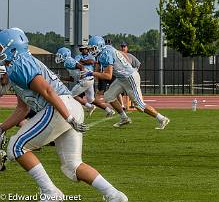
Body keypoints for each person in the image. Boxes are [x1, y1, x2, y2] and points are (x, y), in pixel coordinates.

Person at [0, 28, 128, 201]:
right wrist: (2, 128)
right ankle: (114, 195)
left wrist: (68, 117)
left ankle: (50, 192)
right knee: (72, 166)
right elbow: (22, 109)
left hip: (60, 107)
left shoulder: (19, 65)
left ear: (12, 48)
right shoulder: (19, 67)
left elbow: (47, 90)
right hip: (68, 105)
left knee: (16, 147)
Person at [87, 35, 170, 129]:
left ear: (100, 46)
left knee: (139, 105)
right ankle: (124, 118)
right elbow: (123, 56)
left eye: (93, 48)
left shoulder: (104, 54)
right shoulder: (108, 48)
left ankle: (162, 118)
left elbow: (108, 76)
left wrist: (92, 73)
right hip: (122, 78)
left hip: (129, 78)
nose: (91, 51)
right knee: (108, 96)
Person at [74, 46, 116, 117]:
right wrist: (86, 62)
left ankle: (85, 108)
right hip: (83, 78)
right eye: (83, 49)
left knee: (74, 95)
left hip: (87, 78)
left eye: (85, 48)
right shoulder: (78, 56)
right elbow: (79, 63)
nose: (85, 50)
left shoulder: (91, 55)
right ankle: (109, 110)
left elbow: (91, 62)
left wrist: (83, 62)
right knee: (91, 99)